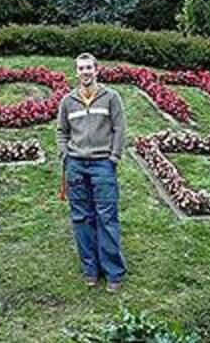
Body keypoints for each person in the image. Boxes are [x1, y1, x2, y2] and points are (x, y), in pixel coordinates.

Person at [57, 53, 127, 293]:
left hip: (102, 165)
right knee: (81, 218)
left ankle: (114, 272)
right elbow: (61, 132)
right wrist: (65, 155)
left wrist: (114, 157)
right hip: (76, 165)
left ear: (97, 70)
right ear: (76, 72)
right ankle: (90, 269)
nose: (85, 72)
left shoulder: (111, 98)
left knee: (107, 218)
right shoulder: (68, 101)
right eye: (81, 68)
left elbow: (119, 129)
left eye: (89, 68)